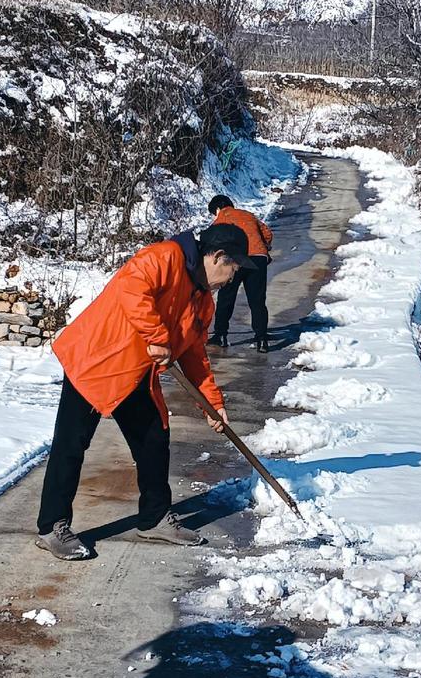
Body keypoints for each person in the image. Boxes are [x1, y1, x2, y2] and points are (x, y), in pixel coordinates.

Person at [36, 221, 260, 560]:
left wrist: (213, 405)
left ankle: (154, 518)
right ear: (216, 257)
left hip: (135, 372)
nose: (233, 279)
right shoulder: (165, 257)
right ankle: (52, 527)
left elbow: (195, 356)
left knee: (154, 440)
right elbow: (131, 288)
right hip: (95, 361)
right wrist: (157, 337)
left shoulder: (203, 303)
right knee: (71, 445)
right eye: (234, 267)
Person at [206, 195, 273, 352]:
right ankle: (261, 339)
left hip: (235, 260)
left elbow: (211, 243)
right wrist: (263, 247)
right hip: (258, 259)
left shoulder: (221, 218)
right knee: (257, 300)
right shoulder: (248, 215)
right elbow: (267, 233)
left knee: (226, 298)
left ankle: (220, 335)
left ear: (217, 209)